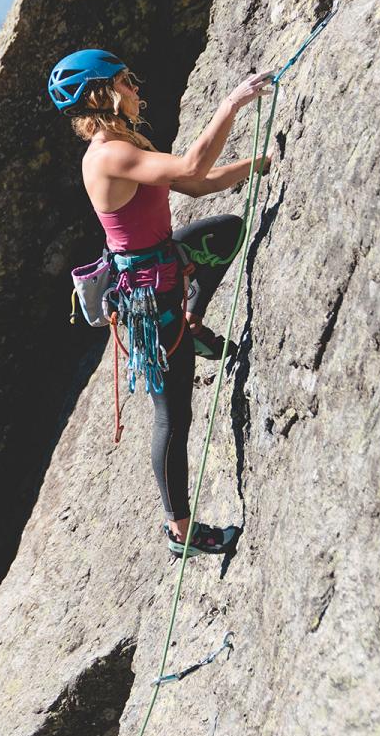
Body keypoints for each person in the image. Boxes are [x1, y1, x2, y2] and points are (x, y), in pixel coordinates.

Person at [48, 49, 272, 558]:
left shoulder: (124, 143)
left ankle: (192, 320)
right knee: (174, 416)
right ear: (102, 94)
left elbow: (193, 183)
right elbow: (193, 164)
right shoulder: (109, 155)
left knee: (225, 232)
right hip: (150, 302)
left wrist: (256, 164)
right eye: (124, 81)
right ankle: (180, 530)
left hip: (163, 266)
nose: (135, 87)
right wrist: (232, 103)